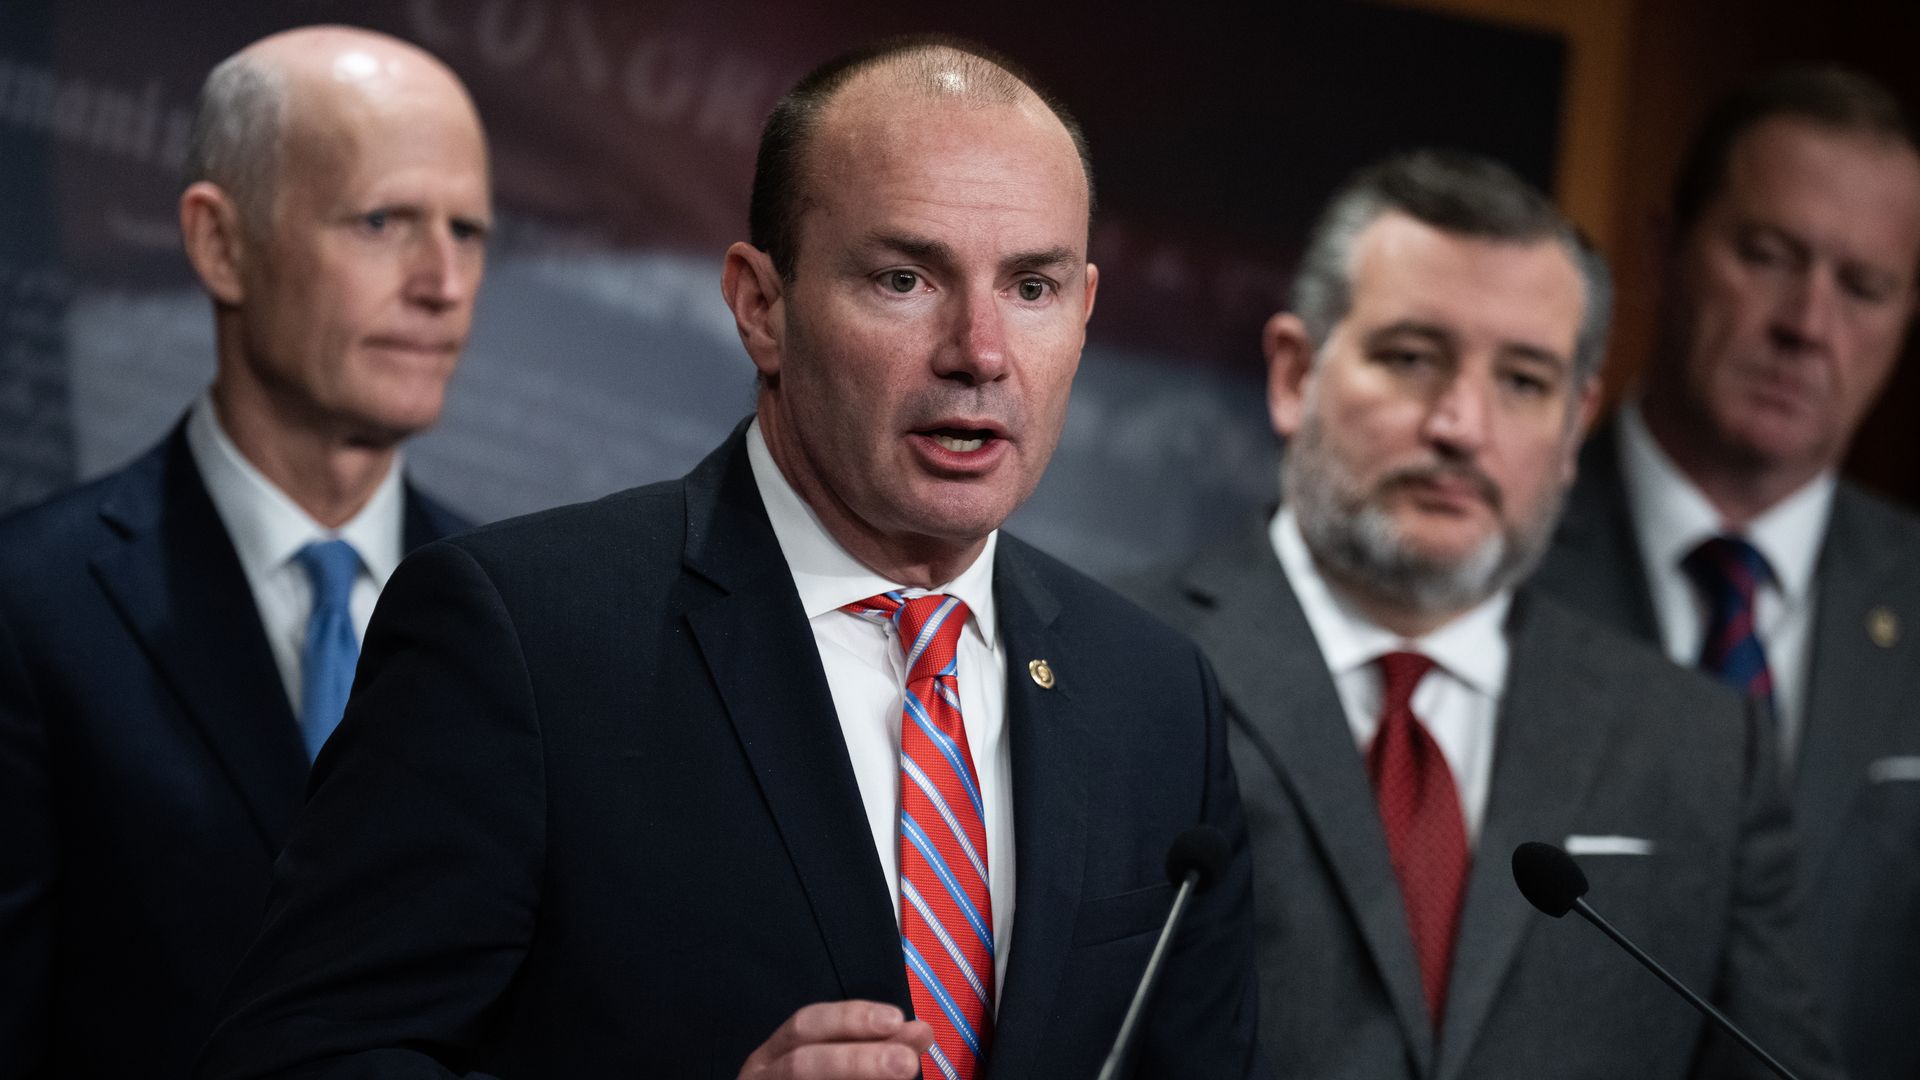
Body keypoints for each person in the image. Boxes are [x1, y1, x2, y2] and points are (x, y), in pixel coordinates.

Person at [195, 37, 1261, 1080]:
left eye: (1029, 289)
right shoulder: (523, 634)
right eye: (904, 278)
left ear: (1082, 312)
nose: (979, 352)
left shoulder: (1156, 698)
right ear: (762, 306)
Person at [1128, 150, 1841, 1079]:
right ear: (1295, 376)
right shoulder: (1119, 672)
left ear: (1577, 420)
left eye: (1523, 382)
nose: (1461, 424)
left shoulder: (1702, 752)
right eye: (1413, 358)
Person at [0, 26, 485, 1080]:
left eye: (470, 230)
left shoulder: (525, 613)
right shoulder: (28, 608)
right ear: (221, 243)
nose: (444, 282)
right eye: (383, 221)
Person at [1534, 66, 1920, 1080]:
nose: (1808, 323)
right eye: (1768, 255)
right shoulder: (1496, 555)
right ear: (1666, 250)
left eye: (1865, 287)